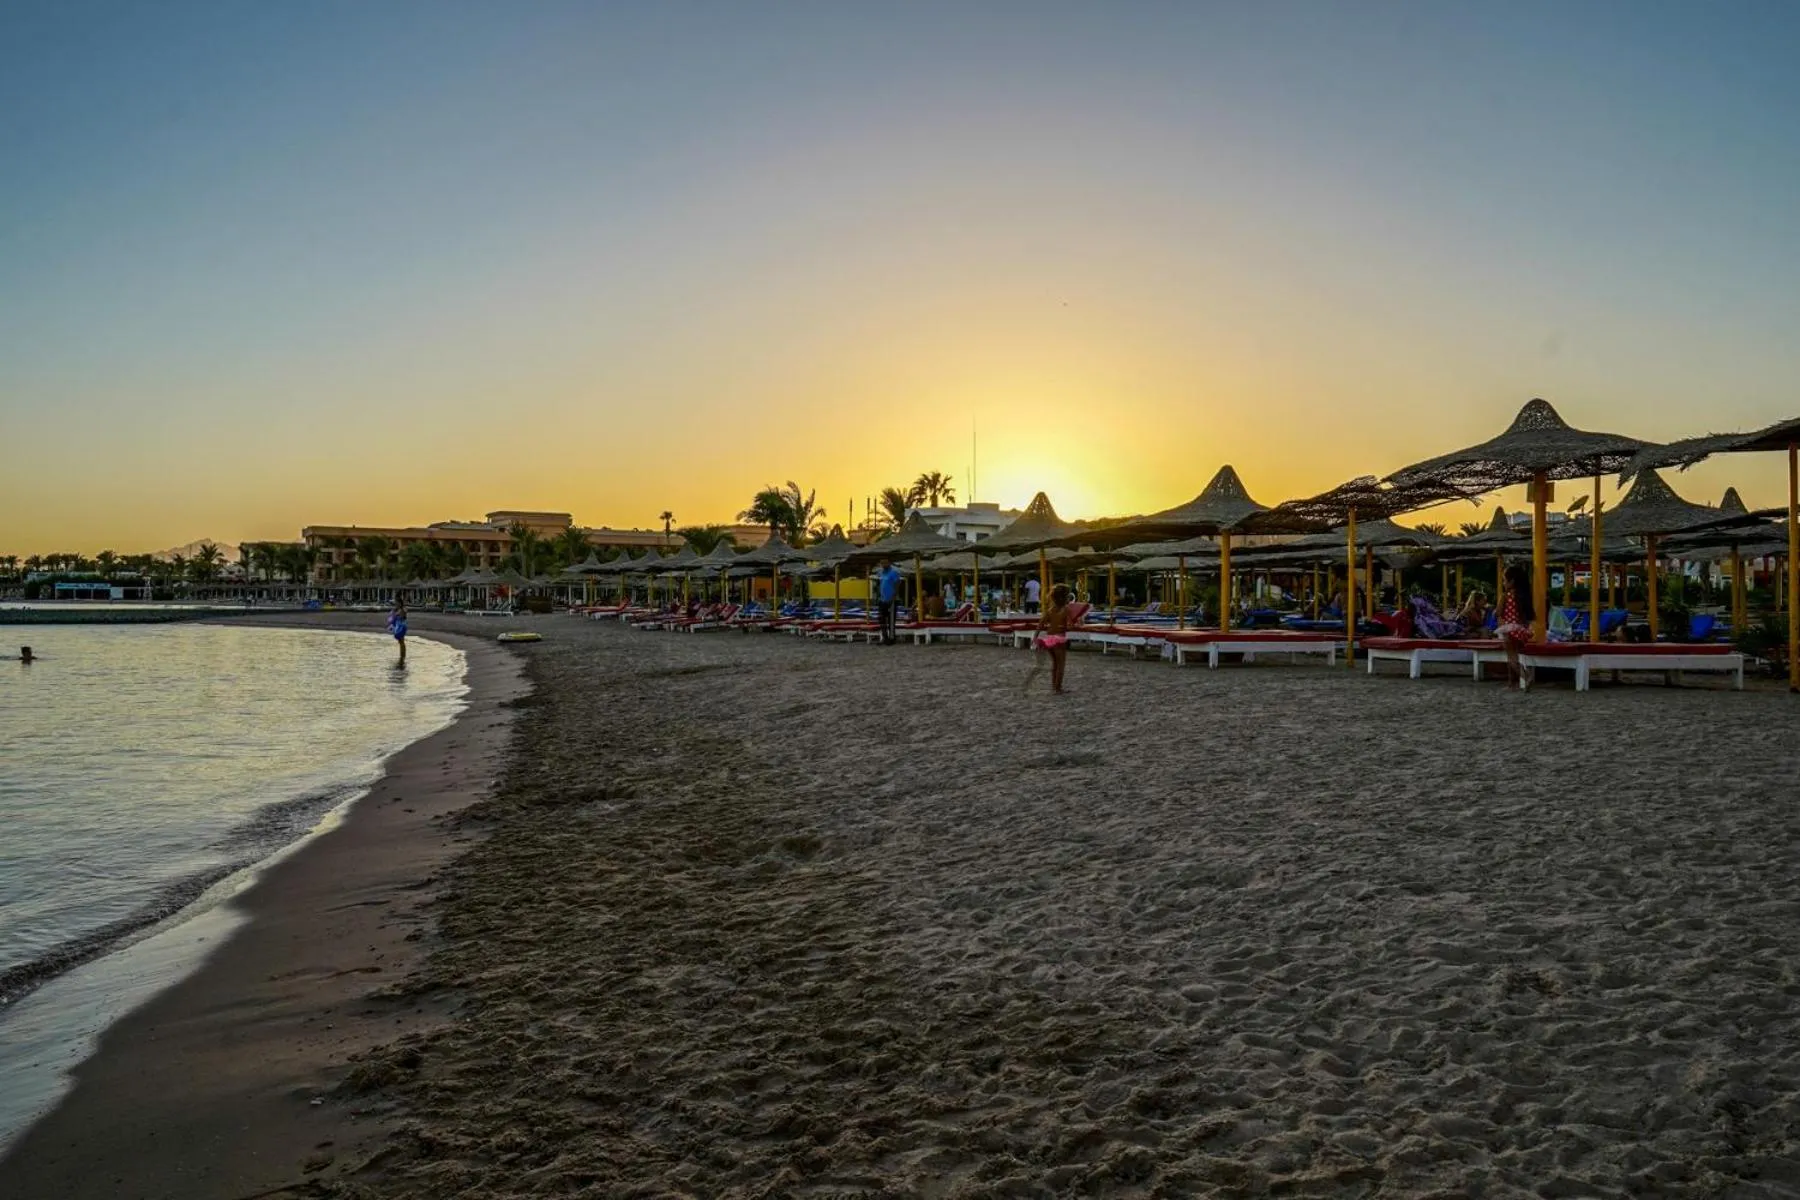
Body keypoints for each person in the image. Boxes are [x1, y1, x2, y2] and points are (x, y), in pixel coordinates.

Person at [1495, 564, 1534, 687]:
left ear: (1511, 581)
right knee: (1517, 656)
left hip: (1508, 629)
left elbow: (1498, 612)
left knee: (1512, 658)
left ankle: (1525, 676)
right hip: (1521, 630)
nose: (1503, 583)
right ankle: (1513, 682)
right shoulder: (1523, 596)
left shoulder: (1505, 596)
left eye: (1504, 580)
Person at [1034, 584, 1074, 694]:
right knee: (1061, 665)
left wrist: (1035, 637)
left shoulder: (1050, 610)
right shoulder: (1066, 609)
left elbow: (1040, 624)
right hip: (1059, 638)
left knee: (1055, 664)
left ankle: (1054, 687)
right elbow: (1070, 626)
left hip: (1049, 638)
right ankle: (1058, 688)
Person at [876, 559, 902, 645]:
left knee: (891, 620)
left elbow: (897, 584)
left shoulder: (893, 573)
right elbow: (881, 584)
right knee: (881, 619)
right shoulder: (881, 573)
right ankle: (885, 637)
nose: (883, 564)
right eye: (882, 563)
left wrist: (893, 597)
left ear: (889, 563)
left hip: (891, 600)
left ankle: (892, 638)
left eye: (885, 563)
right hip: (882, 600)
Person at [388, 600, 408, 664]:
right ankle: (402, 656)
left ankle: (403, 656)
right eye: (396, 603)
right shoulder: (397, 609)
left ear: (400, 604)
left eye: (398, 603)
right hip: (398, 626)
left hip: (401, 626)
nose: (396, 604)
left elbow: (403, 616)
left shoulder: (403, 610)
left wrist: (396, 614)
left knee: (402, 642)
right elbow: (392, 617)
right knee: (400, 642)